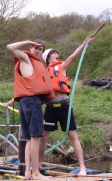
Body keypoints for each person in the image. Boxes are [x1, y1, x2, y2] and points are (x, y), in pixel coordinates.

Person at [39, 35, 94, 175]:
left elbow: (73, 56)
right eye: (54, 54)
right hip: (51, 107)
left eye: (57, 53)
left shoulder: (61, 66)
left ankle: (82, 167)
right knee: (43, 135)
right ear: (48, 58)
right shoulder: (44, 71)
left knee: (72, 135)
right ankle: (38, 164)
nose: (57, 55)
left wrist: (84, 43)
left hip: (64, 106)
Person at [6, 39, 54, 180]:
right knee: (35, 136)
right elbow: (10, 46)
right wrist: (27, 41)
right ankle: (36, 173)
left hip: (26, 102)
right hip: (31, 101)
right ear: (30, 48)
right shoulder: (26, 58)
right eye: (34, 47)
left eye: (40, 48)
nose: (37, 50)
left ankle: (27, 173)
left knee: (29, 138)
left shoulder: (36, 63)